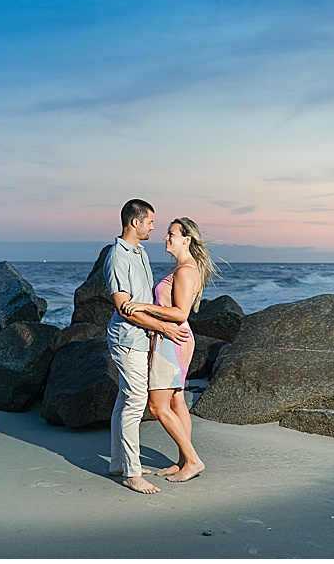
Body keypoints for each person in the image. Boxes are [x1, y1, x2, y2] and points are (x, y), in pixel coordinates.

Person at [122, 217, 220, 483]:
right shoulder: (183, 268)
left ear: (187, 239)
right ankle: (183, 461)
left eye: (172, 234)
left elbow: (180, 313)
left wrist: (143, 306)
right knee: (177, 402)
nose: (166, 237)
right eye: (167, 233)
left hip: (173, 340)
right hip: (171, 339)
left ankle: (194, 460)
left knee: (157, 406)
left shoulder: (186, 270)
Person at [104, 200, 191, 494]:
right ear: (134, 222)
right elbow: (124, 308)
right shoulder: (118, 256)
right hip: (128, 339)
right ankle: (132, 472)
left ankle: (118, 463)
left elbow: (144, 302)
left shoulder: (139, 252)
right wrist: (163, 327)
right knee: (134, 403)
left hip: (143, 339)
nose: (154, 227)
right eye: (150, 222)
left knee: (123, 401)